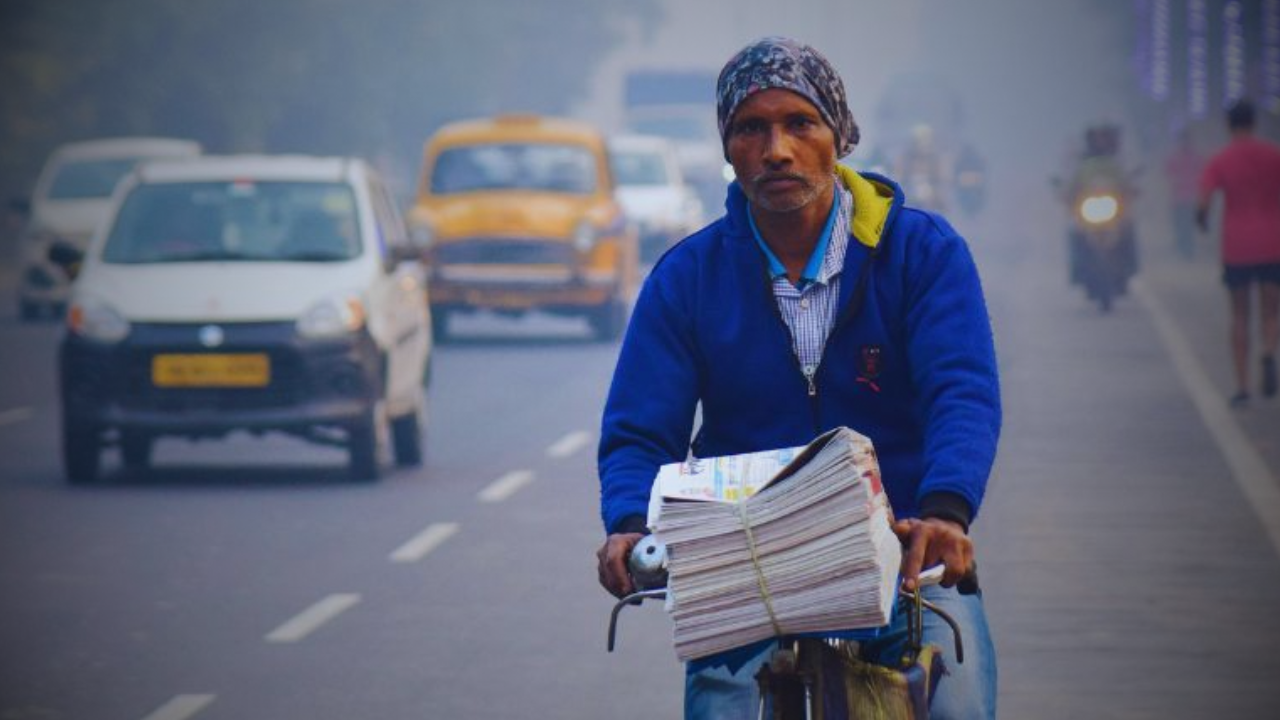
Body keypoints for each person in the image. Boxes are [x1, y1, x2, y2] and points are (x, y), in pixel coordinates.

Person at [595, 37, 1000, 719]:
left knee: (955, 704)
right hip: (742, 566)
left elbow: (961, 393)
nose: (776, 149)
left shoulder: (922, 253)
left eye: (799, 124)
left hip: (902, 556)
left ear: (838, 136)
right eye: (751, 128)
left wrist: (944, 513)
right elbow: (639, 430)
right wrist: (631, 526)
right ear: (728, 150)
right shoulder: (688, 278)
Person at [1197, 98, 1280, 406]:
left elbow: (1204, 203)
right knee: (1271, 310)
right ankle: (1269, 350)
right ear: (1254, 123)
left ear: (1229, 125)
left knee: (1239, 315)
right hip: (1273, 243)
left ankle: (1243, 387)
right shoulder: (1273, 155)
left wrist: (1202, 222)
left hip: (1237, 247)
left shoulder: (1221, 160)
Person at [1163, 127, 1205, 260]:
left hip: (1189, 198)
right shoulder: (1176, 157)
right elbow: (1168, 174)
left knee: (1187, 226)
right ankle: (1184, 250)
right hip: (1179, 198)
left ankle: (1187, 250)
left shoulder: (1195, 157)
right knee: (1181, 226)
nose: (1184, 143)